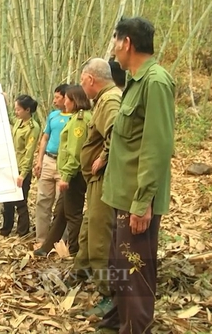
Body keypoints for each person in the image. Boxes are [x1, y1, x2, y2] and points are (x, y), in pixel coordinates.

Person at [96, 17, 175, 334]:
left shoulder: (155, 82)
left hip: (135, 201)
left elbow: (157, 146)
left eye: (115, 41)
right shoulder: (135, 82)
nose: (113, 49)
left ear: (126, 42)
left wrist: (142, 202)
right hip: (122, 196)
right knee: (120, 268)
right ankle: (115, 323)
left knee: (135, 273)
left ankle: (136, 327)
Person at [73, 58, 122, 318]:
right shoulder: (103, 99)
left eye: (82, 82)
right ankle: (80, 271)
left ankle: (109, 295)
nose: (82, 87)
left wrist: (103, 157)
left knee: (100, 238)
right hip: (96, 180)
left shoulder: (110, 99)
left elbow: (118, 134)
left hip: (106, 179)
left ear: (91, 80)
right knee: (89, 228)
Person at [34, 85, 92, 257]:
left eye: (66, 99)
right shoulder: (76, 117)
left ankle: (75, 250)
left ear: (74, 101)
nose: (64, 102)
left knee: (73, 213)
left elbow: (75, 151)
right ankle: (47, 247)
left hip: (75, 173)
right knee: (61, 211)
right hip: (71, 171)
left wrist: (66, 176)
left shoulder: (79, 120)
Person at [33, 84, 71, 247]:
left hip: (64, 164)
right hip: (49, 159)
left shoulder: (77, 117)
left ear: (67, 98)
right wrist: (39, 160)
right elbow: (45, 138)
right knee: (43, 201)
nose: (54, 100)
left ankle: (61, 241)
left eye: (58, 97)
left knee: (62, 205)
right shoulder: (53, 116)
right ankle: (41, 239)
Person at [0, 95, 40, 237]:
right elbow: (9, 118)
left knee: (21, 202)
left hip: (22, 169)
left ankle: (22, 232)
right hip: (11, 166)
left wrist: (23, 174)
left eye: (18, 109)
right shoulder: (18, 122)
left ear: (27, 110)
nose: (15, 112)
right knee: (7, 202)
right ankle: (6, 229)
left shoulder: (33, 128)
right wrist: (3, 102)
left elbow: (29, 153)